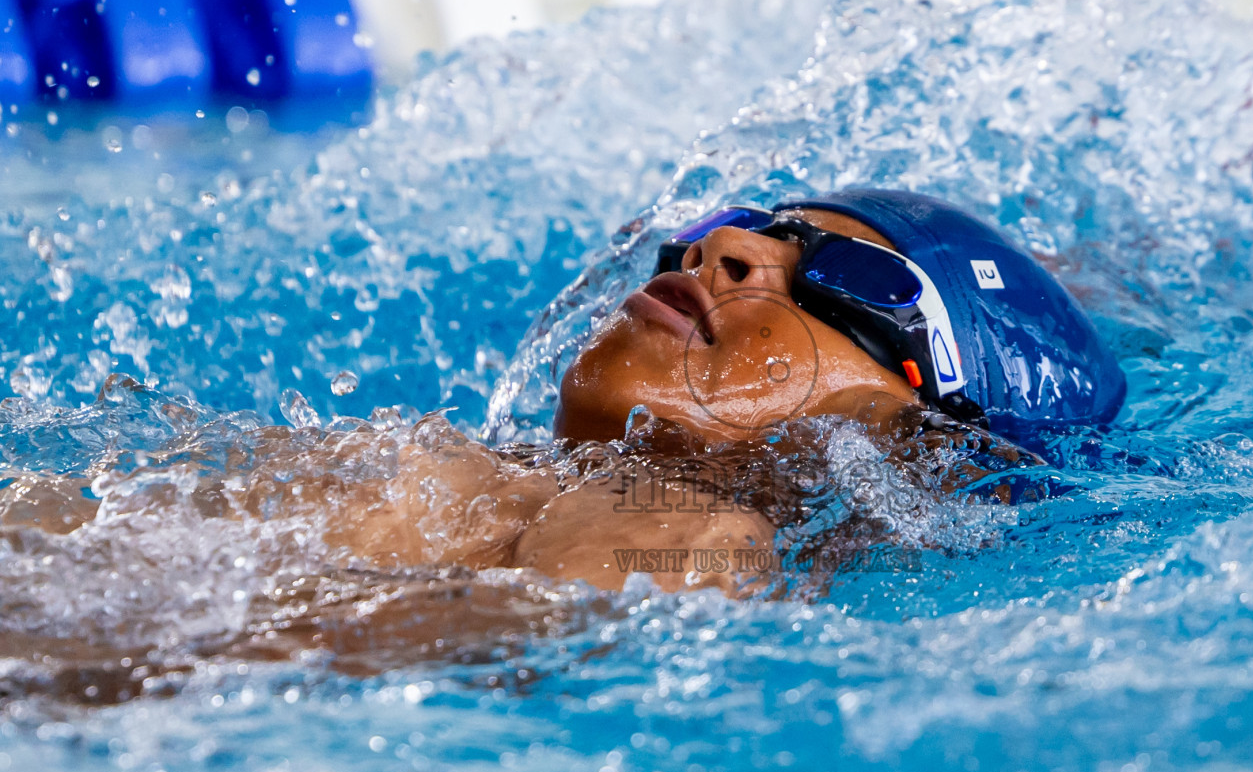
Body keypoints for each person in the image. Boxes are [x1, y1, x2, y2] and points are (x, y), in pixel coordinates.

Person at [0, 190, 1124, 695]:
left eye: (846, 282)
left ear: (929, 449)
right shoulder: (448, 461)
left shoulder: (700, 545)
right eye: (746, 223)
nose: (725, 244)